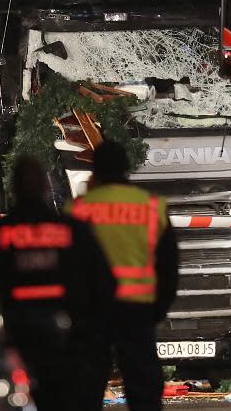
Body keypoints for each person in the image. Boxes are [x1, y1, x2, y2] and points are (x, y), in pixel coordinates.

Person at [0, 155, 116, 411]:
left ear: (14, 188)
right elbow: (103, 285)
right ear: (45, 186)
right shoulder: (73, 230)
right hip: (72, 350)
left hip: (15, 349)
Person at [64, 140, 179, 411]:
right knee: (143, 385)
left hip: (92, 312)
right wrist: (158, 308)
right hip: (137, 309)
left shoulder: (78, 209)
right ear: (127, 168)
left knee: (87, 385)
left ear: (95, 171)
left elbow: (67, 266)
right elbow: (169, 265)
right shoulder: (151, 206)